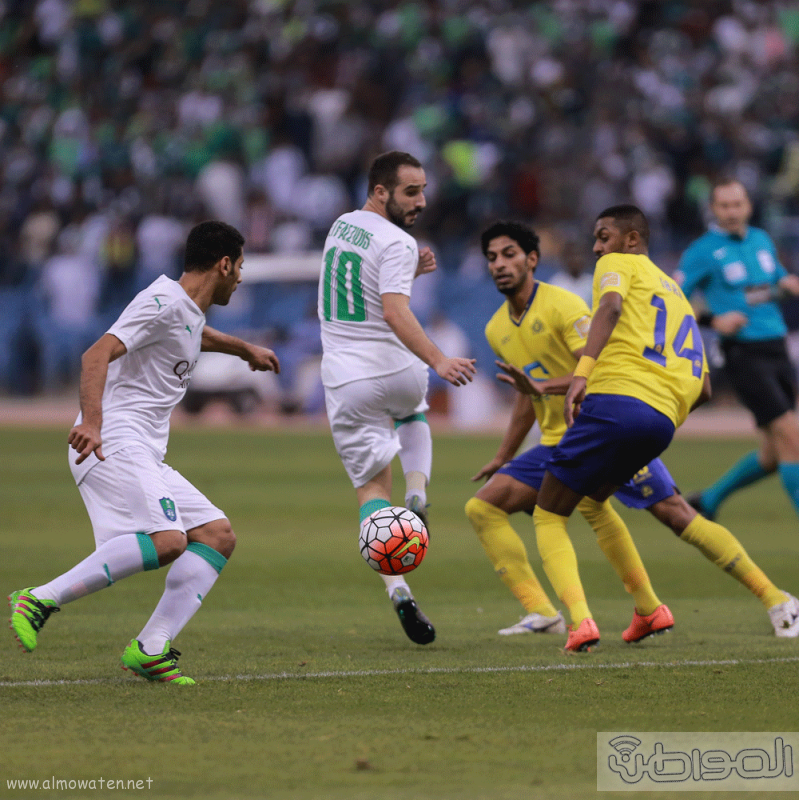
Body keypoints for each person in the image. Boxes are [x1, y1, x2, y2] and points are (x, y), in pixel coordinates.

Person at [465, 220, 799, 648]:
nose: (499, 265)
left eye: (508, 254)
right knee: (486, 507)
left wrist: (554, 388)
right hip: (573, 437)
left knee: (675, 514)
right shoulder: (497, 329)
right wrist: (504, 453)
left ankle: (771, 596)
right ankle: (550, 611)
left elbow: (596, 363)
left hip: (606, 421)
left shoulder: (565, 308)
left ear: (532, 260)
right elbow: (525, 395)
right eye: (491, 258)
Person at [8, 221, 280, 684]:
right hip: (112, 438)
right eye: (240, 268)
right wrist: (92, 423)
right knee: (169, 540)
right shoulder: (162, 301)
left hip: (142, 449)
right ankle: (40, 598)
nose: (240, 278)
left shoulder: (185, 310)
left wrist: (244, 349)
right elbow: (96, 354)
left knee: (216, 535)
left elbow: (194, 335)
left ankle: (151, 648)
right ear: (225, 263)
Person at [318, 151, 476, 645]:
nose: (422, 201)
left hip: (349, 378)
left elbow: (369, 295)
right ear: (381, 191)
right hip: (401, 370)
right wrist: (437, 359)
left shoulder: (342, 226)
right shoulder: (400, 243)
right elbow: (392, 310)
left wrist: (409, 273)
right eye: (411, 191)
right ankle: (419, 493)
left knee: (370, 495)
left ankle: (399, 590)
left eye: (423, 190)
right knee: (412, 412)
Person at [677, 178, 799, 524]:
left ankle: (710, 501)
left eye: (737, 204)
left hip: (776, 347)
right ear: (714, 210)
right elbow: (672, 296)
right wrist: (713, 319)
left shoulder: (761, 240)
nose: (732, 212)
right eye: (724, 206)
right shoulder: (701, 250)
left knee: (773, 453)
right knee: (793, 438)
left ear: (747, 206)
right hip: (743, 354)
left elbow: (770, 287)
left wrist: (787, 286)